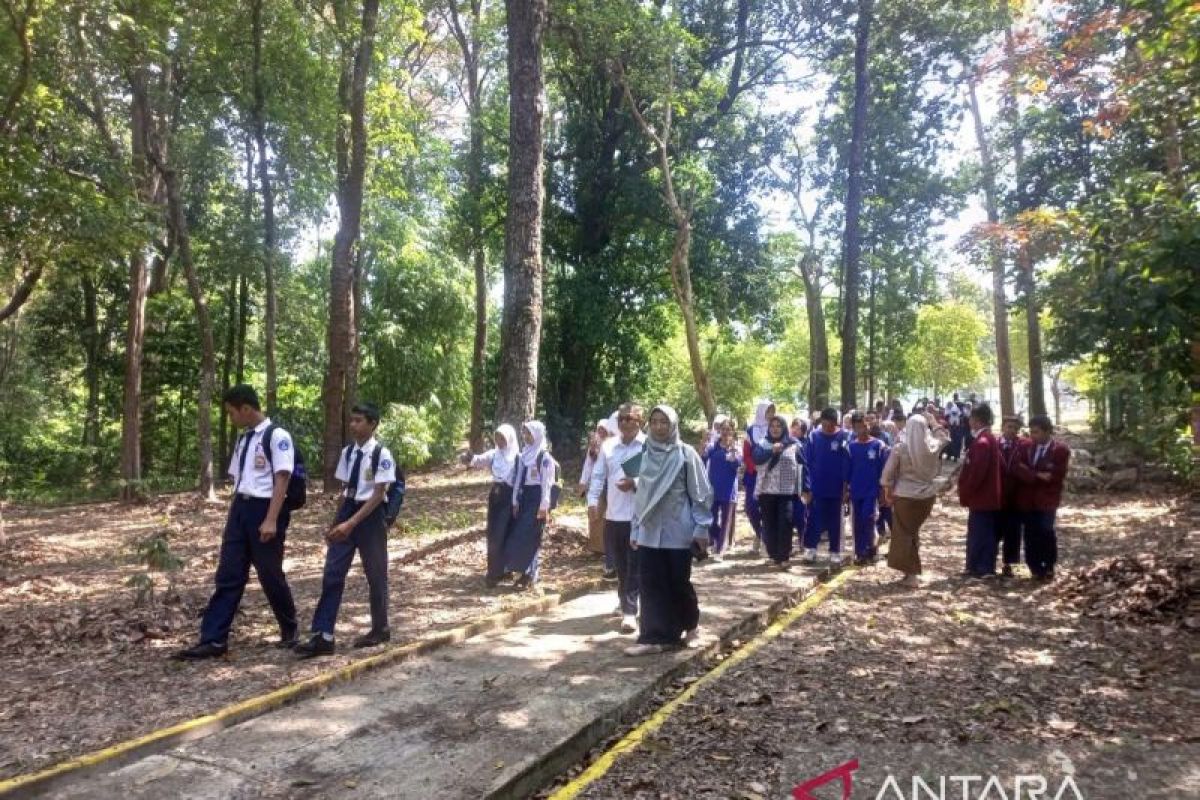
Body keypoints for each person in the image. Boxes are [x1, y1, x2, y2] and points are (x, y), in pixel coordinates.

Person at [173, 385, 299, 660]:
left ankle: (290, 629)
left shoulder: (276, 436)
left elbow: (282, 477)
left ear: (246, 408)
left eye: (232, 413)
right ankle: (214, 639)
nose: (231, 418)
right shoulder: (243, 440)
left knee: (269, 573)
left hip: (265, 508)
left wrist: (270, 519)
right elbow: (239, 478)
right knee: (229, 573)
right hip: (240, 508)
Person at [295, 403, 398, 658]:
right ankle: (323, 634)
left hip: (370, 516)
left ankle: (380, 628)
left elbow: (379, 494)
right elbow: (344, 491)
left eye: (359, 421)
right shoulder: (348, 453)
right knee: (333, 572)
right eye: (351, 420)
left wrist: (351, 523)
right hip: (348, 511)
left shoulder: (381, 454)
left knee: (376, 574)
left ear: (372, 424)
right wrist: (336, 522)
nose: (353, 425)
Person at [625, 405, 713, 656]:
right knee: (651, 584)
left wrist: (701, 528)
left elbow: (701, 494)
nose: (659, 427)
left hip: (678, 530)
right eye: (654, 422)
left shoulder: (686, 455)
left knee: (678, 583)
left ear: (673, 424)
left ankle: (691, 627)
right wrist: (634, 529)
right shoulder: (644, 455)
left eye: (664, 422)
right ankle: (654, 637)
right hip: (649, 530)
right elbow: (640, 498)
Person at [589, 403, 647, 633]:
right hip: (614, 515)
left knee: (636, 564)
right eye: (621, 419)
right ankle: (628, 600)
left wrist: (635, 483)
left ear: (639, 421)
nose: (624, 422)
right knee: (621, 565)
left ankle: (630, 611)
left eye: (629, 418)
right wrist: (593, 502)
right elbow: (598, 476)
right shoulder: (609, 446)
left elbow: (657, 478)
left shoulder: (649, 447)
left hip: (640, 515)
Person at [462, 424, 521, 587]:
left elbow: (520, 481)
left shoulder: (518, 457)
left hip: (511, 498)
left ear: (510, 439)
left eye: (503, 438)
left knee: (508, 533)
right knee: (494, 534)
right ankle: (494, 572)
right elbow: (478, 460)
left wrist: (516, 501)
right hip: (496, 496)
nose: (499, 441)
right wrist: (469, 458)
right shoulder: (494, 454)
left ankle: (507, 569)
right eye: (497, 437)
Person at [1013, 415, 1070, 581]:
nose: (1033, 436)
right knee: (1030, 533)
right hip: (1027, 499)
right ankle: (1035, 567)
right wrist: (1037, 474)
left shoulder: (1060, 450)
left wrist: (1030, 473)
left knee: (1046, 530)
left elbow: (1055, 476)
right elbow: (1018, 469)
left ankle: (1049, 564)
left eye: (1036, 432)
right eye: (1031, 432)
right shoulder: (1026, 448)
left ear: (1047, 432)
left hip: (1047, 499)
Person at [752, 413, 807, 567]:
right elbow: (756, 459)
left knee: (785, 522)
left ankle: (783, 556)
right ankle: (773, 554)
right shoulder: (763, 443)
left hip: (786, 491)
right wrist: (772, 451)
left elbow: (803, 466)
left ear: (784, 428)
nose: (775, 429)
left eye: (779, 426)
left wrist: (806, 487)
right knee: (769, 523)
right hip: (767, 490)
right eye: (772, 426)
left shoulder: (794, 444)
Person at [507, 421, 557, 590]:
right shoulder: (524, 456)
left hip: (537, 498)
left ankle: (531, 573)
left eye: (529, 433)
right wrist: (515, 501)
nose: (526, 437)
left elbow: (546, 484)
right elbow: (518, 480)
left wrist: (544, 506)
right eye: (524, 433)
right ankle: (522, 571)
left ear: (537, 435)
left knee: (533, 535)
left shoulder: (544, 457)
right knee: (520, 535)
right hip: (525, 497)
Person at [958, 404, 1003, 578]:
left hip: (983, 497)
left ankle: (983, 567)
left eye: (971, 419)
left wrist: (967, 491)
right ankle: (976, 565)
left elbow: (977, 472)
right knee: (979, 531)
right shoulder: (986, 439)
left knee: (982, 532)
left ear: (976, 420)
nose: (969, 422)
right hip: (985, 497)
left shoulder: (983, 442)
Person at [801, 407, 850, 566]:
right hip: (817, 487)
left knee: (835, 520)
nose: (827, 427)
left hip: (836, 487)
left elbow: (847, 463)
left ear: (836, 423)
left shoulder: (844, 436)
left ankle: (835, 551)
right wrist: (807, 487)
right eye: (824, 424)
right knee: (814, 518)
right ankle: (810, 549)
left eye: (830, 425)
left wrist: (845, 487)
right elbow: (807, 461)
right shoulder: (814, 436)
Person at [847, 412, 887, 565]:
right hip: (856, 490)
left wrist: (883, 491)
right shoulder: (851, 447)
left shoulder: (878, 445)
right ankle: (860, 552)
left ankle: (871, 547)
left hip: (872, 491)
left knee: (868, 518)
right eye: (857, 427)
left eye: (864, 426)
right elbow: (847, 471)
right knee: (857, 521)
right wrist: (846, 490)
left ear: (868, 425)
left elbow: (884, 470)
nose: (861, 429)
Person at [578, 417, 618, 566]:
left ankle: (610, 549)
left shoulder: (613, 445)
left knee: (611, 516)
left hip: (612, 484)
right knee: (595, 515)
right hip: (597, 484)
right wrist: (583, 482)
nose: (601, 432)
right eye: (599, 429)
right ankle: (596, 548)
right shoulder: (594, 445)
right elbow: (588, 465)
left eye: (604, 429)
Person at [703, 418, 739, 560]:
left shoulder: (736, 447)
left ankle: (720, 550)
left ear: (732, 431)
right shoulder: (713, 446)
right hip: (713, 488)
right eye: (723, 429)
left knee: (725, 520)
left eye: (728, 429)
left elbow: (736, 465)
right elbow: (703, 458)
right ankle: (717, 539)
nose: (725, 432)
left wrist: (732, 452)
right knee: (710, 519)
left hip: (729, 489)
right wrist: (703, 446)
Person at [742, 401, 775, 553]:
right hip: (754, 475)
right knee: (751, 507)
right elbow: (746, 454)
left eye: (773, 411)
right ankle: (760, 534)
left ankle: (768, 540)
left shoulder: (775, 429)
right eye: (768, 411)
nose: (771, 414)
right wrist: (754, 466)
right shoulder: (751, 430)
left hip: (771, 475)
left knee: (769, 508)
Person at [997, 416, 1027, 578]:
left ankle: (1009, 564)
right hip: (998, 494)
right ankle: (988, 561)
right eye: (1009, 427)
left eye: (1015, 428)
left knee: (1013, 531)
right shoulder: (994, 445)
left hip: (1015, 496)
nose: (1012, 431)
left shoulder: (1022, 446)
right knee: (994, 529)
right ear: (1002, 427)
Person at [789, 417, 810, 552]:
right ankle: (788, 544)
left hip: (801, 483)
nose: (795, 431)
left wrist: (807, 486)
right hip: (788, 484)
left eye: (798, 429)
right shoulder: (787, 443)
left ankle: (803, 541)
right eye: (793, 427)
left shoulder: (807, 444)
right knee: (788, 516)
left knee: (800, 515)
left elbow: (806, 465)